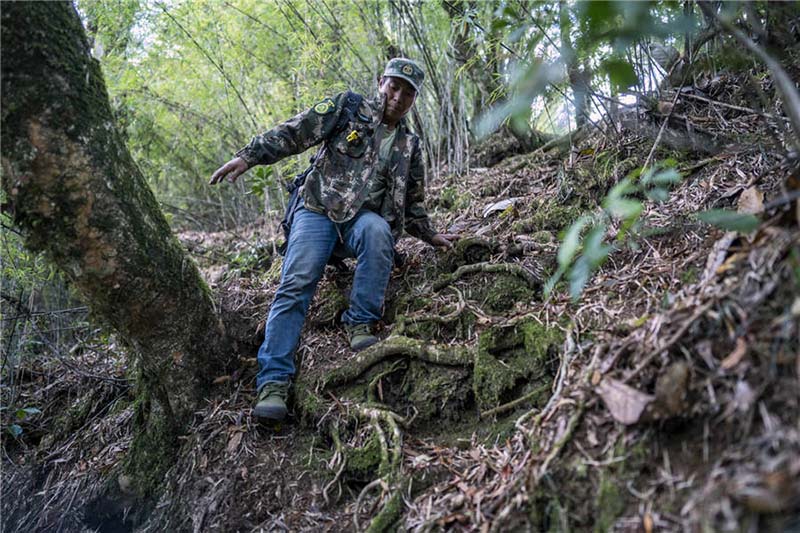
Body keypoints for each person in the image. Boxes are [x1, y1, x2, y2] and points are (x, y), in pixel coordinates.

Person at [210, 58, 458, 421]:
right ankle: (273, 382)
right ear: (381, 82)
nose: (398, 96)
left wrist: (431, 235)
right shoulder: (348, 108)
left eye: (408, 92)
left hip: (360, 223)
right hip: (318, 210)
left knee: (378, 231)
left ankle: (360, 321)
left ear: (414, 99)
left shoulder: (409, 144)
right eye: (394, 85)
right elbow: (297, 131)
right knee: (296, 284)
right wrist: (250, 156)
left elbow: (413, 201)